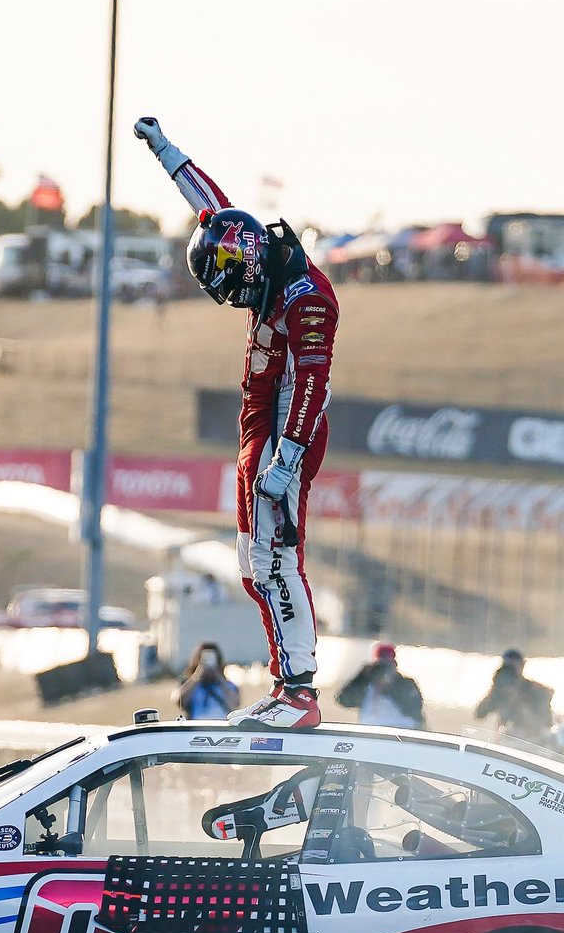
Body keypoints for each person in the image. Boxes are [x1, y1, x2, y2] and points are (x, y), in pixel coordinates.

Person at [135, 117, 339, 729]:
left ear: (247, 265)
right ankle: (285, 684)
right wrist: (166, 151)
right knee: (253, 567)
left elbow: (312, 384)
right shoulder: (246, 244)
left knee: (278, 559)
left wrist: (287, 459)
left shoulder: (306, 296)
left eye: (232, 288)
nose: (234, 301)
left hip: (287, 428)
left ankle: (299, 692)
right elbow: (211, 206)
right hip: (259, 427)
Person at [335, 643, 426, 729]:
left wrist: (391, 687)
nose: (382, 670)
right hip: (371, 730)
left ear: (394, 664)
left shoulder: (405, 684)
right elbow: (343, 700)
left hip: (401, 730)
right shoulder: (366, 685)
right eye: (380, 666)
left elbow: (415, 709)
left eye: (387, 665)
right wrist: (361, 677)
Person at [473, 648, 554, 743]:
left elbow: (542, 725)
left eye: (513, 666)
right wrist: (494, 693)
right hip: (508, 740)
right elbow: (480, 713)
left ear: (522, 665)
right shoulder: (500, 691)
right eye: (507, 667)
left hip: (532, 741)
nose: (509, 674)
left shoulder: (534, 689)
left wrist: (519, 701)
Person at [173, 642, 239, 720]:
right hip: (196, 726)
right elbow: (179, 701)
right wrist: (196, 676)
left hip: (221, 726)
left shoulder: (229, 685)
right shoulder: (189, 684)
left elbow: (235, 704)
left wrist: (219, 679)